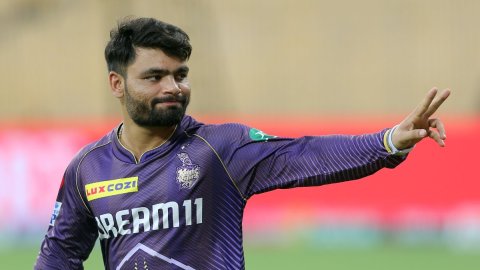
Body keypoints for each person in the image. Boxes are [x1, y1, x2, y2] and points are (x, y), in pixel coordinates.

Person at [35, 17, 450, 270]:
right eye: (154, 76)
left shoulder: (219, 148)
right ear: (117, 84)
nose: (173, 87)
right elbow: (60, 256)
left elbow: (303, 155)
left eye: (180, 75)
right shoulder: (87, 169)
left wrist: (389, 141)